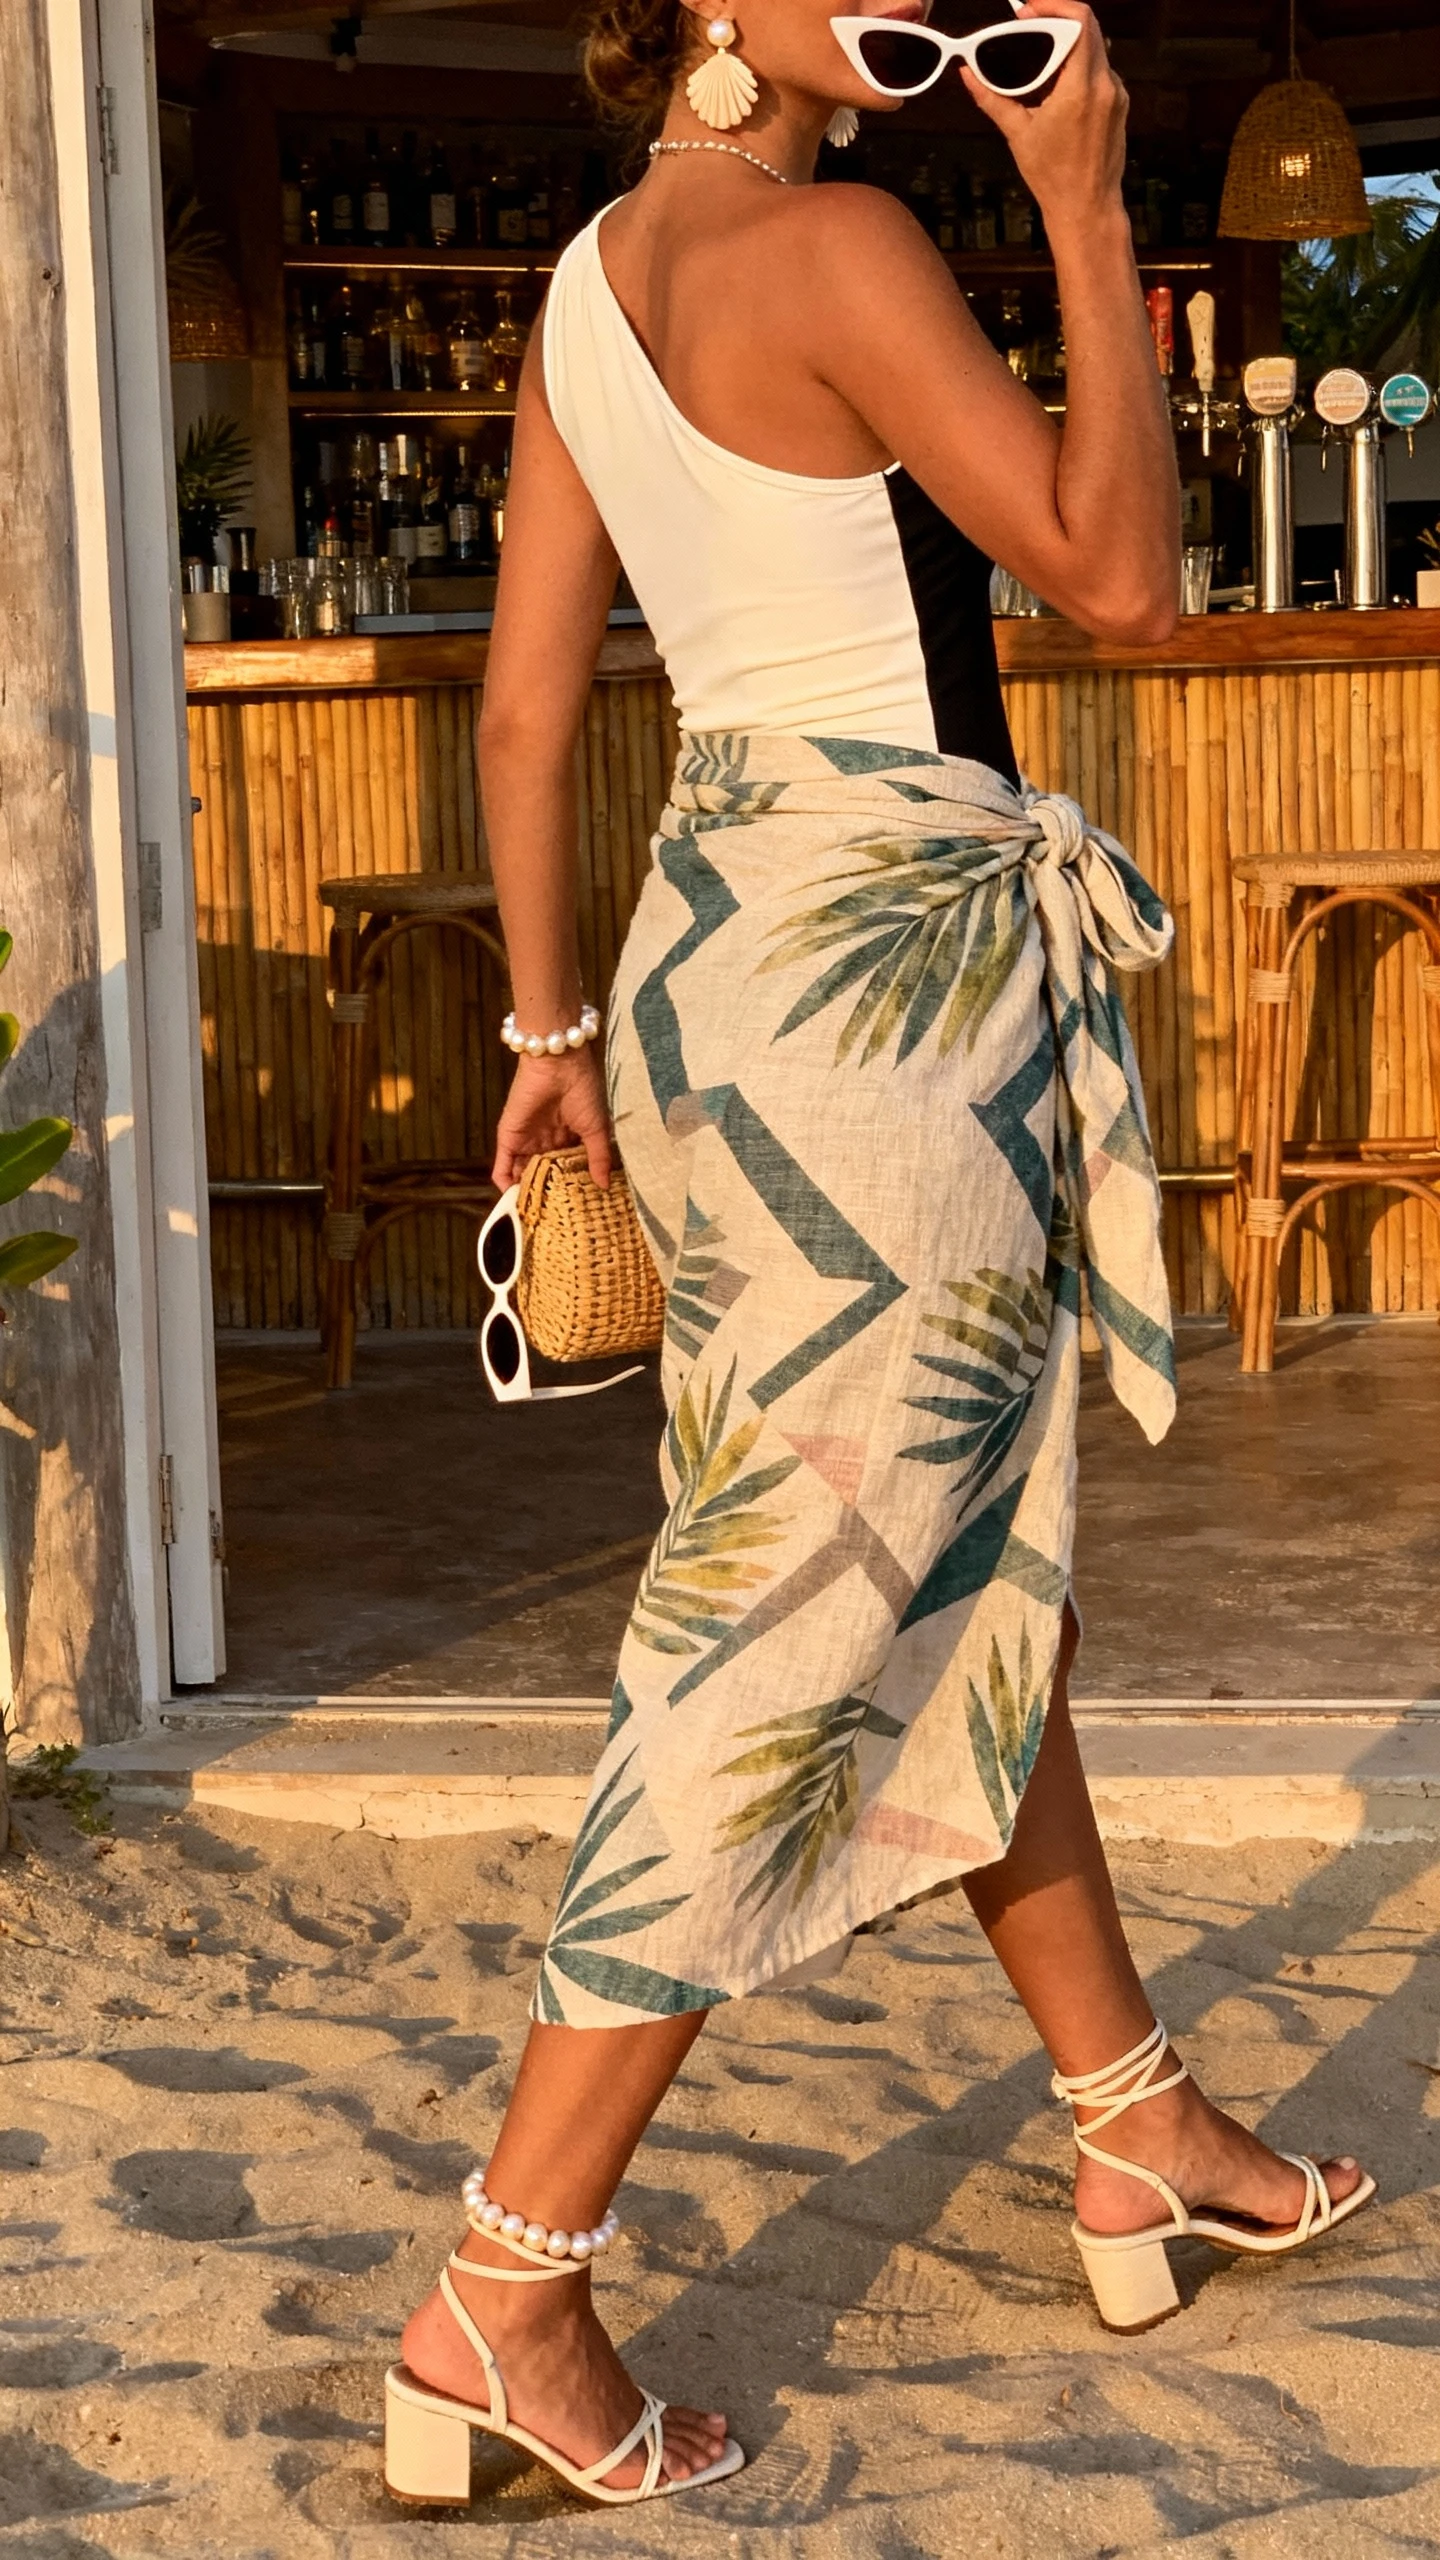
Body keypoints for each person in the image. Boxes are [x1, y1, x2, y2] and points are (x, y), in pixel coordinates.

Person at [384, 0, 1372, 2510]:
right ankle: (512, 2272)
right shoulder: (839, 242)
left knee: (929, 1553)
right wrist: (1080, 202)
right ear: (713, 11)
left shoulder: (591, 285)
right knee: (802, 1603)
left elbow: (524, 717)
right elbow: (1127, 580)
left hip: (715, 965)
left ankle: (1135, 2116)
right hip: (885, 986)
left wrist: (544, 1021)